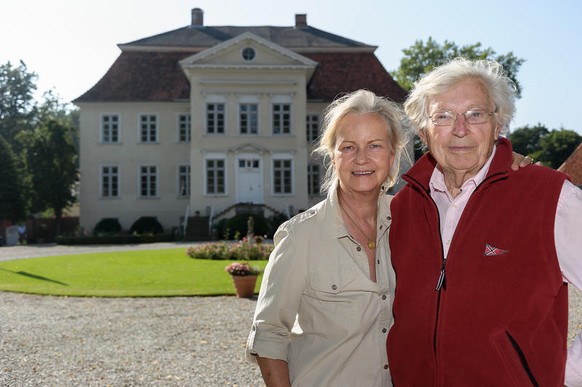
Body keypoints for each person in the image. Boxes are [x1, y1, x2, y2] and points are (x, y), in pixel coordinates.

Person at [386, 57, 582, 386]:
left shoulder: (549, 197)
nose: (460, 129)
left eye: (475, 114)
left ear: (498, 123)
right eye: (444, 116)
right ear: (424, 131)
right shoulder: (405, 206)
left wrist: (565, 374)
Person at [245, 89, 406, 386]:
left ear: (392, 154)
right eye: (348, 147)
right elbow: (268, 332)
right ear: (332, 155)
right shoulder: (301, 236)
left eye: (375, 146)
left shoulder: (410, 222)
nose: (361, 158)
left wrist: (508, 162)